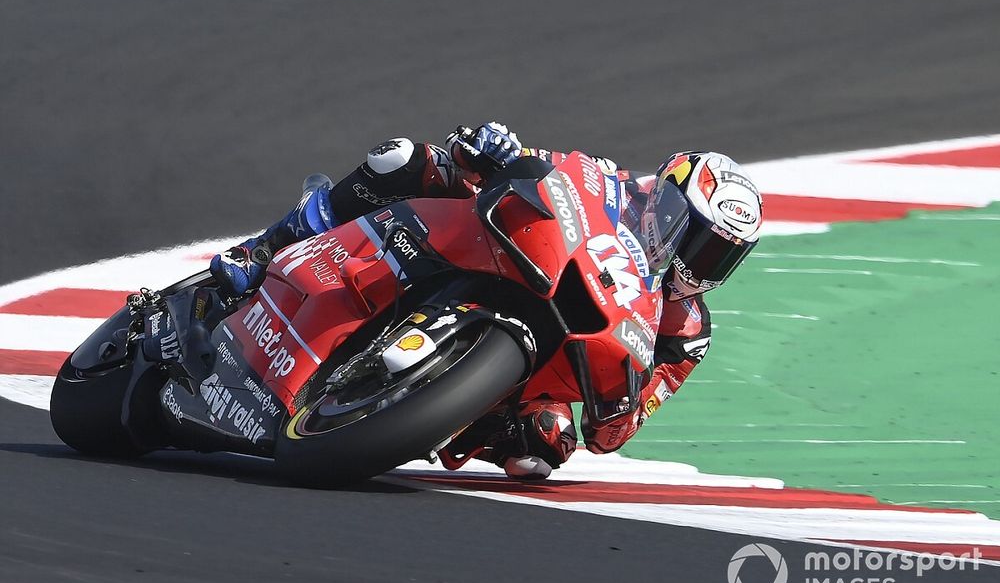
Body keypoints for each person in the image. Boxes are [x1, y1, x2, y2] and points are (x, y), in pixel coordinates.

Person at [210, 122, 763, 479]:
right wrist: (491, 145)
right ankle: (263, 249)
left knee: (544, 447)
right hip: (499, 257)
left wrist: (622, 404)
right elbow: (520, 161)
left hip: (548, 365)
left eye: (719, 257)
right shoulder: (603, 180)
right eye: (698, 240)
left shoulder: (686, 332)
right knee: (403, 158)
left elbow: (613, 434)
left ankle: (422, 414)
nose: (698, 263)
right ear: (666, 201)